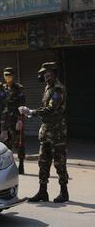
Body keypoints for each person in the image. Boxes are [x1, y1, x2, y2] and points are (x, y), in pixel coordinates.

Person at [19, 62, 70, 203]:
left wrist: (31, 112)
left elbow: (51, 109)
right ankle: (43, 192)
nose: (44, 76)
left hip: (57, 131)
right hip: (46, 131)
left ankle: (64, 192)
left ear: (53, 73)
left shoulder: (58, 89)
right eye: (44, 74)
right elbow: (45, 110)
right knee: (43, 162)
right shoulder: (48, 88)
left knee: (59, 162)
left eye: (47, 74)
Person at [1, 67, 26, 174]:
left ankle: (21, 163)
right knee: (6, 143)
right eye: (6, 75)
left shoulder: (18, 88)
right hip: (5, 120)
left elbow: (22, 104)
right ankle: (10, 165)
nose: (8, 77)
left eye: (9, 75)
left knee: (19, 143)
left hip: (16, 119)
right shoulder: (2, 88)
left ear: (13, 76)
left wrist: (20, 120)